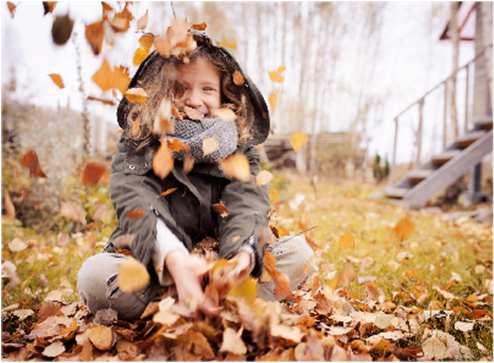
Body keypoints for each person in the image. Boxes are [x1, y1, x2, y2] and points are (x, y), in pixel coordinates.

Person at [77, 30, 315, 320]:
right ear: (161, 92)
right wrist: (175, 261)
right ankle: (181, 305)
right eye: (180, 88)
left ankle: (220, 305)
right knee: (94, 275)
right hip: (159, 268)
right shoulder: (138, 143)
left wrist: (241, 257)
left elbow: (248, 201)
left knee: (298, 255)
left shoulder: (240, 148)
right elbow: (134, 201)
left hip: (220, 272)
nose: (194, 99)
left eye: (207, 89)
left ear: (224, 94)